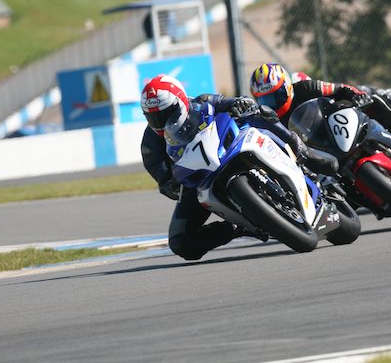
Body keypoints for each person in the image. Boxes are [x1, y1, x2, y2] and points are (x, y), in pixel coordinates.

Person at [139, 74, 336, 261]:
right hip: (198, 178)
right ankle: (236, 227)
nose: (161, 121)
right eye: (154, 117)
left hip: (225, 147)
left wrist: (238, 103)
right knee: (180, 242)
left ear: (181, 100)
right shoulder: (150, 142)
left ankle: (305, 154)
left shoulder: (200, 102)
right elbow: (158, 170)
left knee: (261, 114)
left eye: (166, 113)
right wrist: (168, 184)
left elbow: (223, 102)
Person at [249, 63, 391, 158]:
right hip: (317, 149)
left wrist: (356, 95)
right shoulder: (269, 120)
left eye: (275, 95)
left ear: (287, 87)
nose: (272, 103)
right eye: (264, 99)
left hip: (336, 121)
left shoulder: (305, 87)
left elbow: (339, 88)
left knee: (377, 102)